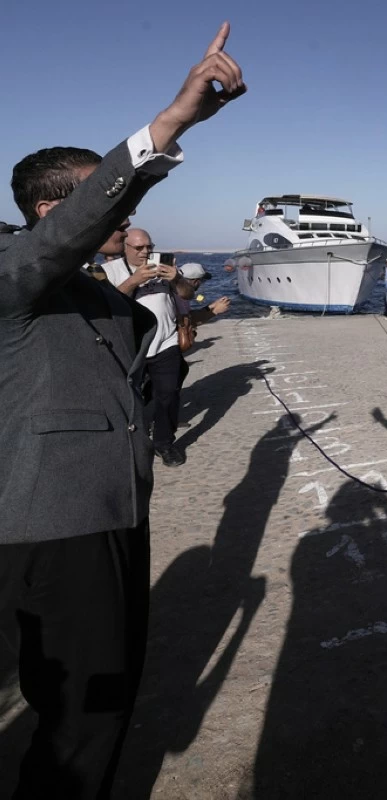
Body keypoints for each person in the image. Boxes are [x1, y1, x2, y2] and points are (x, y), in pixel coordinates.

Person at [0, 23, 244, 797]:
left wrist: (142, 282)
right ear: (48, 214)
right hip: (56, 523)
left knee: (93, 703)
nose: (124, 211)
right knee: (83, 714)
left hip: (107, 511)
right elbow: (66, 242)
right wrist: (167, 126)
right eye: (102, 187)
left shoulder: (87, 291)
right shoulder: (16, 274)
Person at [101, 228, 188, 466]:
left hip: (165, 341)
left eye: (149, 247)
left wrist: (177, 279)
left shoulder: (165, 267)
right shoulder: (109, 271)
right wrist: (133, 281)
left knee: (168, 395)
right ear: (124, 248)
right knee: (128, 399)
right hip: (130, 346)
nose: (145, 252)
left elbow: (187, 294)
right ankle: (131, 442)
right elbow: (104, 305)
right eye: (139, 248)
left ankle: (164, 444)